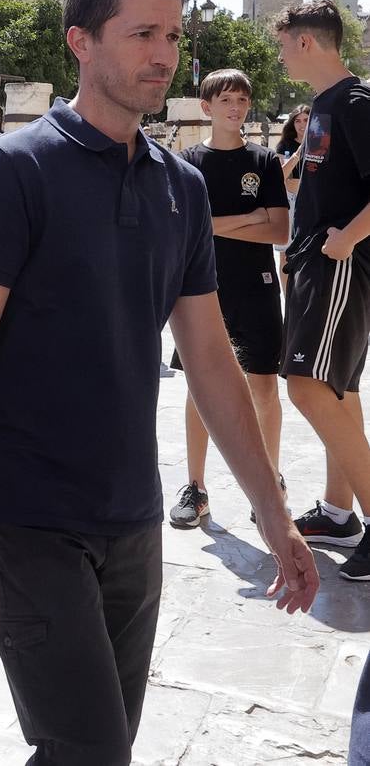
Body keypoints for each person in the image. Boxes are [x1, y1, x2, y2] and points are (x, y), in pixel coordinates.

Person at [0, 0, 319, 766]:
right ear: (81, 42)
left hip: (134, 518)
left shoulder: (180, 187)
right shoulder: (15, 171)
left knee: (105, 746)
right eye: (142, 34)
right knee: (90, 750)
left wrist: (273, 512)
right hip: (29, 518)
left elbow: (209, 358)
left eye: (173, 36)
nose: (164, 55)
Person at [168, 69, 289, 527]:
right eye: (225, 100)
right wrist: (249, 217)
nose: (235, 108)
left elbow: (279, 230)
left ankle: (270, 484)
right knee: (199, 387)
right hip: (202, 289)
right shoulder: (188, 163)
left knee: (264, 386)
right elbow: (184, 230)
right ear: (207, 107)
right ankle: (196, 487)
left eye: (241, 100)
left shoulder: (264, 161)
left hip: (257, 285)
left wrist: (216, 224)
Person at [276, 0, 370, 579]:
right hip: (320, 261)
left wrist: (346, 239)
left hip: (341, 265)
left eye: (284, 45)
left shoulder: (355, 103)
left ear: (306, 42)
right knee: (337, 388)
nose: (281, 57)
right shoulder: (325, 106)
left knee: (307, 387)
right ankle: (339, 514)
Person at [275, 105, 310, 289]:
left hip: (312, 202)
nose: (302, 124)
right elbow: (280, 176)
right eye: (297, 121)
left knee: (309, 251)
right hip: (289, 202)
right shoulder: (285, 145)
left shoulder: (322, 144)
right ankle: (288, 299)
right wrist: (298, 154)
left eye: (306, 120)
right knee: (286, 254)